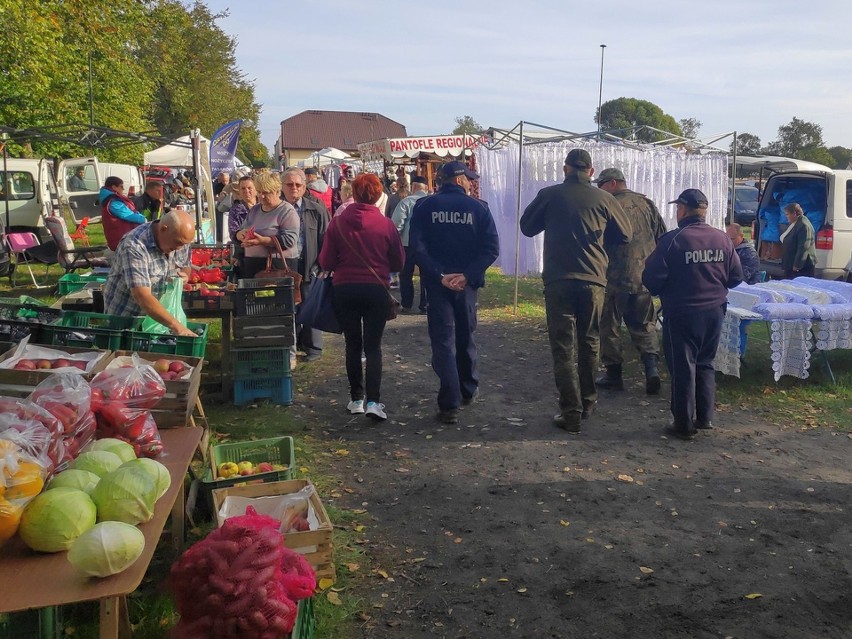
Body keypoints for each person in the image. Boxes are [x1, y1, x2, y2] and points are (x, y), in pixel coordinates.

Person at [520, 149, 632, 433]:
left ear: (565, 168)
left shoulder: (549, 194)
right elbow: (626, 235)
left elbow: (526, 227)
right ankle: (589, 400)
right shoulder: (605, 198)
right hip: (593, 279)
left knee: (562, 348)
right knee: (590, 341)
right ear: (592, 172)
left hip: (558, 279)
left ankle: (570, 411)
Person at [643, 189, 743, 440]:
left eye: (678, 208)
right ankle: (705, 416)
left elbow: (651, 280)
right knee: (705, 362)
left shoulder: (672, 240)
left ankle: (683, 424)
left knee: (682, 367)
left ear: (682, 210)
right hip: (714, 311)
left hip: (683, 312)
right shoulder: (722, 239)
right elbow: (736, 277)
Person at [409, 161, 500, 424]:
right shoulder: (479, 208)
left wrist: (439, 274)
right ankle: (468, 389)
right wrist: (467, 275)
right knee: (465, 335)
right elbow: (491, 248)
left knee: (443, 342)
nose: (472, 183)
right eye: (469, 179)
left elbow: (416, 247)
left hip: (437, 285)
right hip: (466, 285)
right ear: (459, 180)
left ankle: (449, 403)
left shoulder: (425, 207)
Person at [318, 173, 404, 421]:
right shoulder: (386, 224)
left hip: (344, 288)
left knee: (352, 345)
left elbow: (325, 260)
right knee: (373, 347)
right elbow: (398, 260)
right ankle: (374, 402)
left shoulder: (338, 222)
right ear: (379, 195)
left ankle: (356, 398)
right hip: (376, 289)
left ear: (353, 194)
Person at [594, 168, 667, 394]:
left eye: (601, 185)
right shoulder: (647, 203)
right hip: (643, 277)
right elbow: (661, 235)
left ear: (613, 183)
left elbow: (597, 240)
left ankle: (614, 375)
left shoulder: (606, 205)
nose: (599, 189)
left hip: (612, 277)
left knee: (609, 326)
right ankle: (652, 370)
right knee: (645, 325)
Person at [103, 210, 198, 337]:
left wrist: (184, 276)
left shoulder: (180, 238)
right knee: (125, 355)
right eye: (178, 243)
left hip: (158, 320)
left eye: (185, 244)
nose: (180, 248)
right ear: (163, 229)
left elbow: (185, 264)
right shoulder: (134, 246)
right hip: (127, 318)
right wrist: (178, 327)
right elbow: (142, 296)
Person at [281, 167, 330, 362]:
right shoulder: (277, 209)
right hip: (285, 266)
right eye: (289, 184)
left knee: (310, 305)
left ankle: (313, 348)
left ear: (304, 187)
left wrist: (322, 265)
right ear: (282, 187)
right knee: (287, 305)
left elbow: (327, 239)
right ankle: (291, 344)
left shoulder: (316, 209)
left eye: (298, 185)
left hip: (310, 264)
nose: (294, 188)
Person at [235, 171, 300, 279]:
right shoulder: (255, 210)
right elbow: (241, 230)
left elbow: (289, 240)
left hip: (278, 268)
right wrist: (240, 235)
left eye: (266, 192)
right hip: (253, 266)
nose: (262, 196)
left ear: (278, 192)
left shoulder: (287, 211)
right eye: (259, 192)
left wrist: (263, 240)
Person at [392, 175, 429, 313]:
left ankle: (407, 303)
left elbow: (396, 224)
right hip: (427, 245)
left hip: (407, 244)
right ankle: (425, 304)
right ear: (426, 188)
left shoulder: (406, 202)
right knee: (426, 274)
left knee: (405, 274)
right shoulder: (432, 202)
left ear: (413, 187)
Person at [100, 176, 147, 251]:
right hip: (122, 241)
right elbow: (128, 215)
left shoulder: (111, 200)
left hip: (125, 238)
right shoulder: (113, 202)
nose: (123, 189)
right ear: (114, 187)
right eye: (121, 187)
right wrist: (144, 220)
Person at [780, 203, 816, 279]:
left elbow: (803, 247)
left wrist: (797, 265)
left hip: (801, 267)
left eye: (787, 214)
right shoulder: (795, 223)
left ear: (794, 213)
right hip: (791, 264)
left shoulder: (803, 225)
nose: (786, 217)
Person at [228, 175, 257, 242]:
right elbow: (233, 233)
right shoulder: (235, 210)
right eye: (243, 188)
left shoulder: (264, 204)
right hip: (245, 246)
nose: (246, 191)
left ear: (256, 189)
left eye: (249, 188)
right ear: (239, 191)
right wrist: (239, 234)